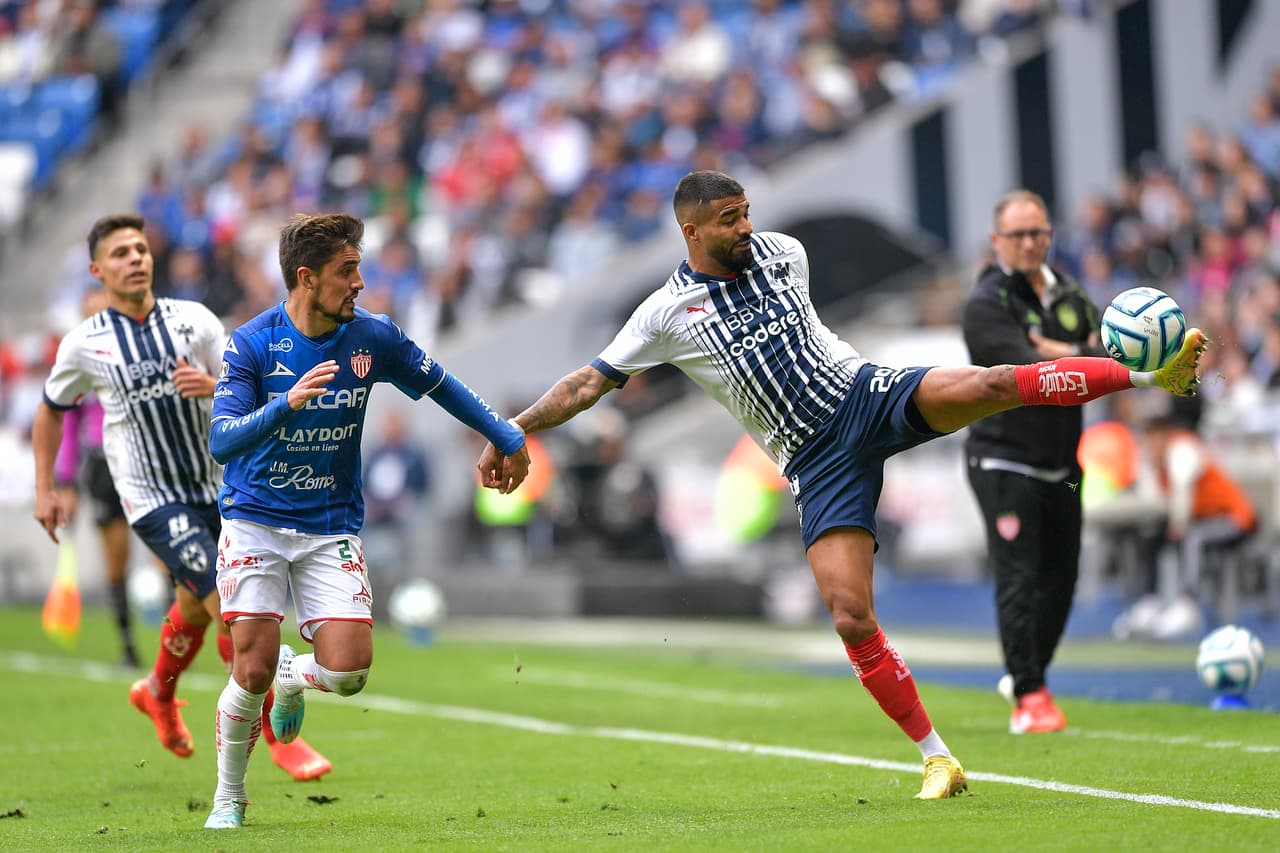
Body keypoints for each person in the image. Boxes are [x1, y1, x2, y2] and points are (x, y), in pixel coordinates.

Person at [476, 170, 1207, 800]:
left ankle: (1153, 374)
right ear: (692, 231)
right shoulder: (664, 315)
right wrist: (518, 428)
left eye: (748, 212)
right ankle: (938, 757)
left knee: (990, 382)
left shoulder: (783, 254)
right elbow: (587, 383)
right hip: (814, 460)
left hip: (867, 393)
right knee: (852, 615)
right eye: (730, 220)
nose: (748, 227)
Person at [203, 212, 529, 830]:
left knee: (349, 674)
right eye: (346, 271)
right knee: (248, 667)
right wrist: (286, 404)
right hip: (255, 522)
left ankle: (294, 677)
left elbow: (443, 385)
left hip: (329, 526)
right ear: (307, 277)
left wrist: (507, 435)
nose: (360, 282)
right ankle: (229, 797)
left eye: (359, 268)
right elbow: (222, 442)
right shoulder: (251, 344)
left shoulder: (372, 337)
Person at [32, 213, 334, 784]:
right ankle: (277, 737)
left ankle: (156, 693)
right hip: (152, 501)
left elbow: (246, 385)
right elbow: (52, 409)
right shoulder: (84, 344)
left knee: (195, 606)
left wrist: (213, 386)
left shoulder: (194, 322)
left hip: (219, 489)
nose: (135, 258)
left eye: (140, 249)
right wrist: (47, 487)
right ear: (98, 270)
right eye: (120, 253)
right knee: (232, 607)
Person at [961, 188, 1103, 734]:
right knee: (1017, 574)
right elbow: (1028, 375)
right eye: (1017, 234)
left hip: (1063, 463)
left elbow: (1107, 353)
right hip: (1002, 459)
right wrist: (1070, 355)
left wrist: (1055, 348)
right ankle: (1029, 694)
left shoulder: (1070, 293)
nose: (1028, 242)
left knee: (1061, 576)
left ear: (1050, 234)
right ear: (997, 241)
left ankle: (1030, 675)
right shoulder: (986, 303)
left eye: (1037, 232)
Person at [53, 289, 141, 668]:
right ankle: (127, 644)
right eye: (90, 314)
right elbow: (68, 427)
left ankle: (181, 633)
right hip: (103, 465)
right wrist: (65, 482)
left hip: (143, 459)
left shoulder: (139, 353)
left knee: (166, 554)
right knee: (116, 557)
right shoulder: (78, 364)